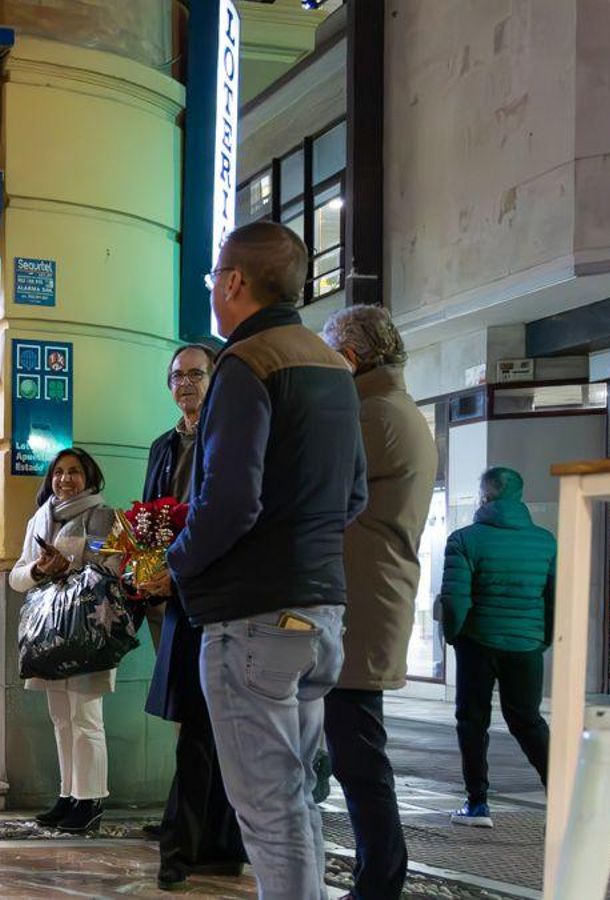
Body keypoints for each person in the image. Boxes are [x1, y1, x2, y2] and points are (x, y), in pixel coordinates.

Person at [143, 221, 366, 900]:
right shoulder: (331, 364)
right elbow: (353, 494)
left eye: (216, 278)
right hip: (318, 617)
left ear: (236, 282)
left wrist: (171, 564)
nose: (215, 290)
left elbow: (230, 501)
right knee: (294, 801)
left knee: (266, 813)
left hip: (254, 622)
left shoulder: (246, 363)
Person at [320, 305, 437, 898]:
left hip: (360, 601)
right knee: (355, 752)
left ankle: (380, 882)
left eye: (329, 351)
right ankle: (378, 877)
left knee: (359, 758)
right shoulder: (391, 408)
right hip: (368, 594)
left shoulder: (373, 414)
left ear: (352, 355)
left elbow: (320, 489)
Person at [142, 343, 246, 891]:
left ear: (215, 381)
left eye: (196, 374)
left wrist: (176, 573)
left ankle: (180, 846)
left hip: (215, 597)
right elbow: (149, 518)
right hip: (171, 601)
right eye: (178, 376)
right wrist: (143, 573)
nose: (186, 383)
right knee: (199, 723)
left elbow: (226, 518)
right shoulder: (164, 445)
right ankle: (214, 845)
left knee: (207, 726)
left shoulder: (227, 438)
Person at [441, 467, 556, 830]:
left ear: (485, 496)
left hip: (477, 643)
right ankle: (564, 795)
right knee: (528, 721)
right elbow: (554, 599)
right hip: (527, 646)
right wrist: (542, 638)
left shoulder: (464, 539)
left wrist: (454, 635)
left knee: (472, 722)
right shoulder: (545, 541)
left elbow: (454, 600)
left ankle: (477, 805)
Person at [9, 447, 117, 835]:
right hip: (50, 631)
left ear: (89, 477)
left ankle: (91, 801)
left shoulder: (102, 515)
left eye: (74, 472)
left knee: (86, 717)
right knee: (60, 717)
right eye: (58, 472)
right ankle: (69, 794)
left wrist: (68, 566)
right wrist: (40, 568)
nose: (64, 479)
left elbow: (111, 569)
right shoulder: (40, 517)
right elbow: (16, 577)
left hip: (87, 628)